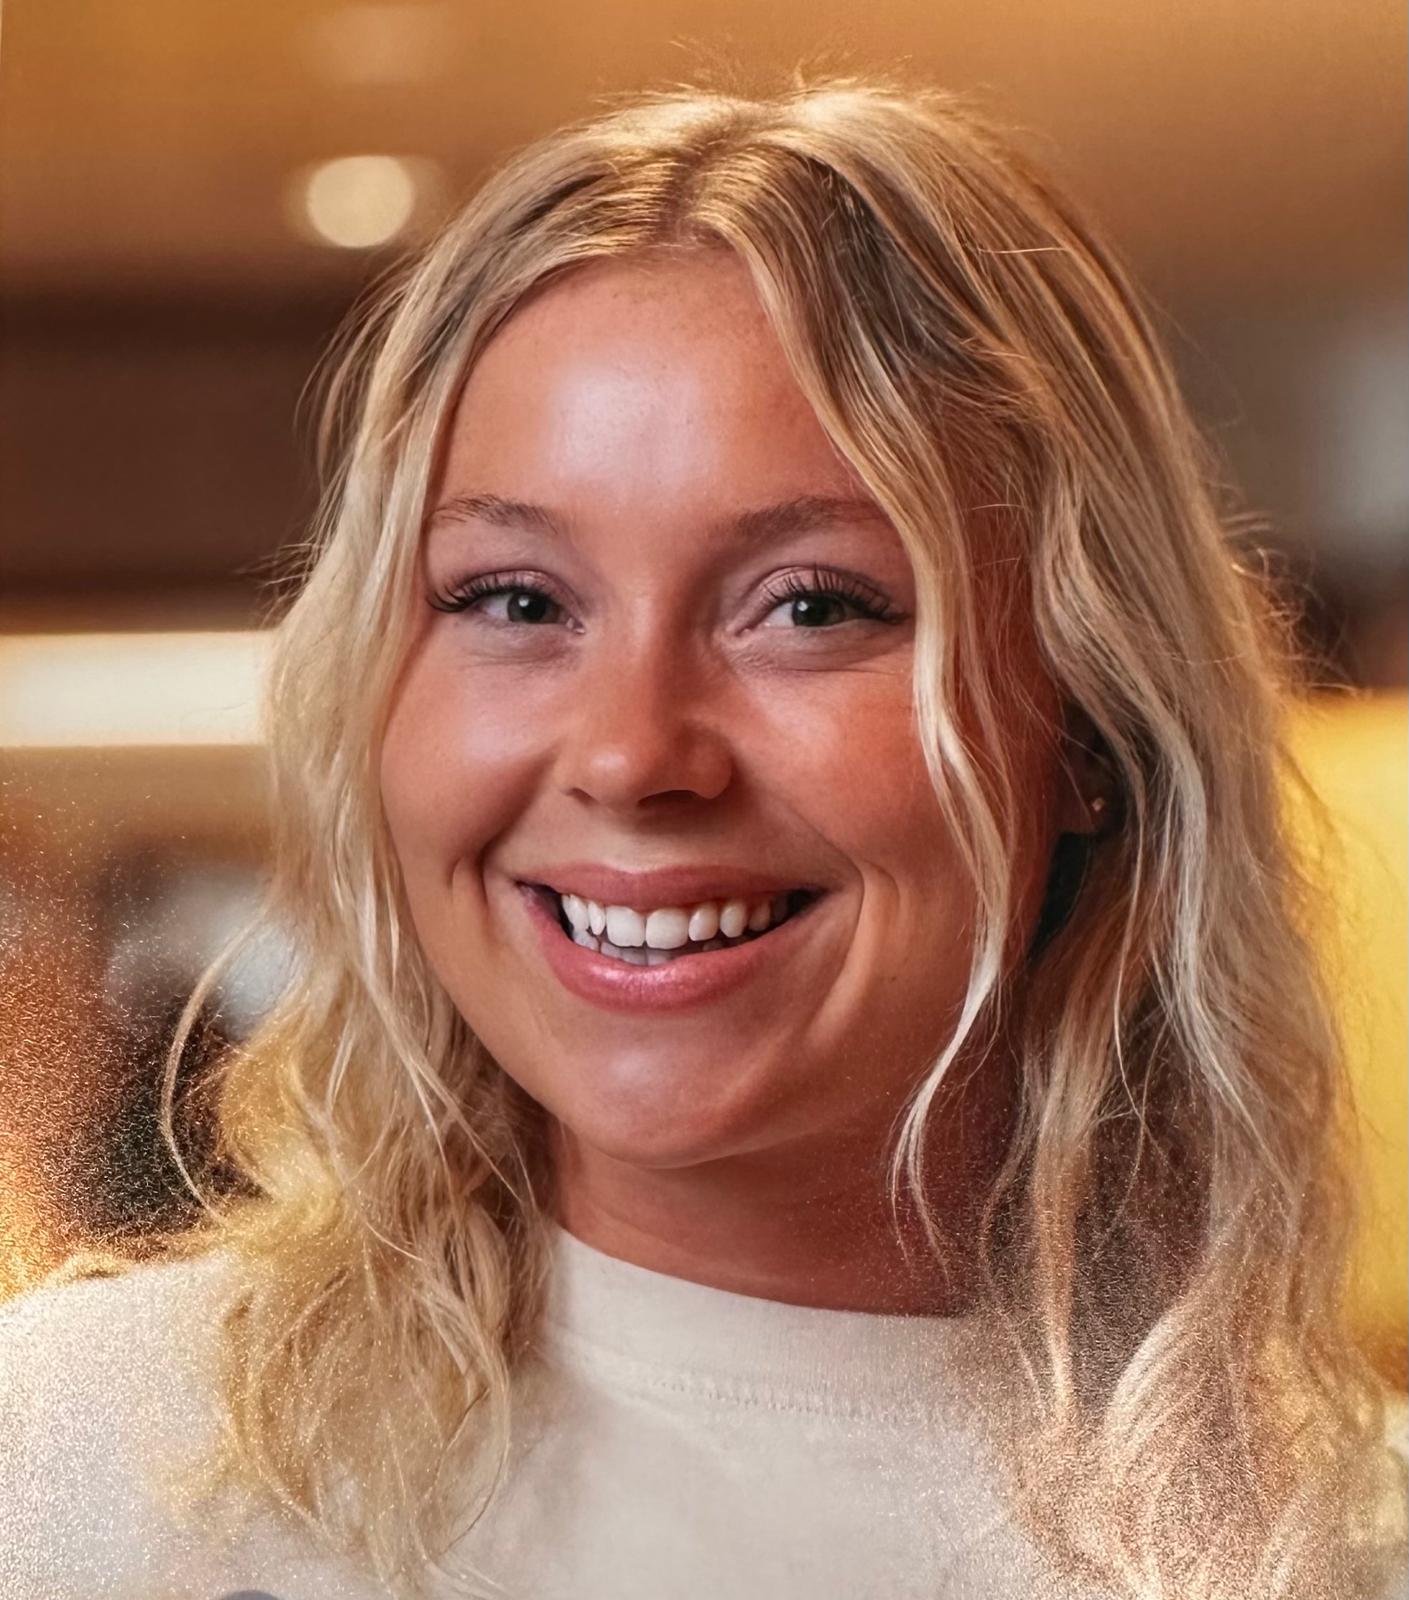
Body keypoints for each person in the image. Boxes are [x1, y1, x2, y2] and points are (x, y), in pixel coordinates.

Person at [1, 79, 1404, 1600]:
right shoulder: (83, 1464)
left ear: (1084, 720)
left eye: (812, 605)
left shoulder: (1339, 1547)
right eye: (515, 600)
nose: (630, 752)